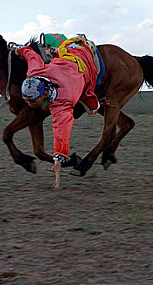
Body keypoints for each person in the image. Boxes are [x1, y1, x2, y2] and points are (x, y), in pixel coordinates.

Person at [15, 37, 99, 189]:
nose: (29, 104)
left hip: (83, 59)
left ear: (45, 95)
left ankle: (87, 45)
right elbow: (31, 56)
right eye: (27, 100)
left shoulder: (63, 102)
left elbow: (61, 134)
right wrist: (18, 48)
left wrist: (58, 163)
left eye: (32, 101)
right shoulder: (35, 72)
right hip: (67, 52)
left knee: (91, 102)